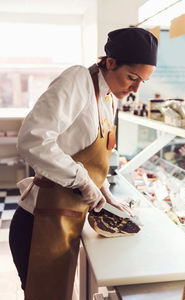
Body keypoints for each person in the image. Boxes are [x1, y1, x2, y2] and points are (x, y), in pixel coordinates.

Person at [9, 27, 158, 300]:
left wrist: (104, 192)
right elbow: (33, 140)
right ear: (110, 62)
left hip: (66, 221)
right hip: (39, 224)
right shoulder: (78, 80)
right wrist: (82, 180)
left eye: (142, 82)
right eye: (132, 77)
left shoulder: (110, 96)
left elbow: (89, 157)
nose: (135, 89)